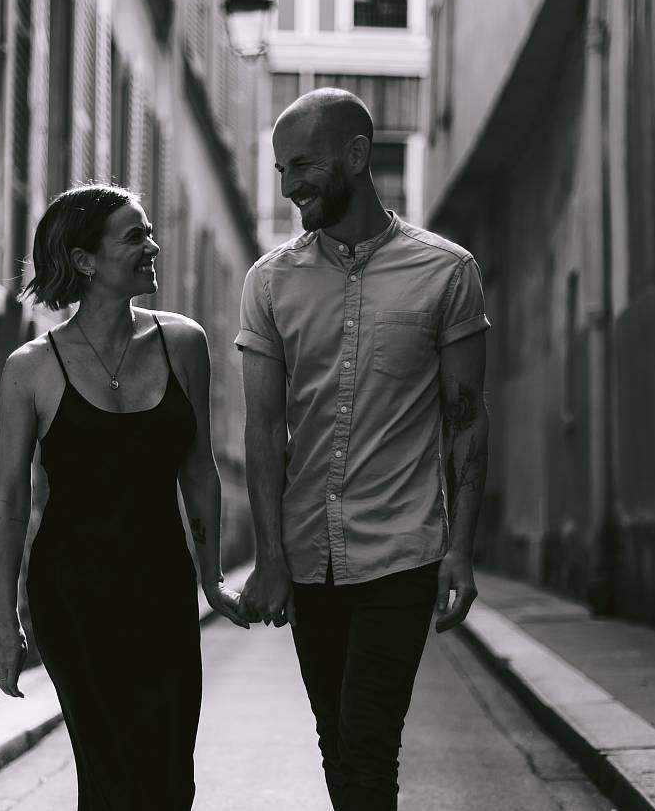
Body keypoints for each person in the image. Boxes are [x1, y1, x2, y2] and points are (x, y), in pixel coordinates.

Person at [235, 88, 491, 810]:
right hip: (310, 554)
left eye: (304, 166)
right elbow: (262, 430)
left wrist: (461, 549)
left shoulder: (447, 274)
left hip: (400, 553)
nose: (290, 188)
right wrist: (272, 558)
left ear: (356, 154)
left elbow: (467, 420)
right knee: (336, 740)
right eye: (282, 171)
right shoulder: (270, 282)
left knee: (369, 740)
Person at [0, 184, 248, 810]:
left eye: (150, 232)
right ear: (84, 261)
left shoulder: (182, 343)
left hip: (161, 589)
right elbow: (10, 502)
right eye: (135, 236)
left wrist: (211, 581)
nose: (153, 245)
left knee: (167, 778)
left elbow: (200, 471)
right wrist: (5, 620)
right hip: (72, 598)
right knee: (110, 775)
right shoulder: (31, 368)